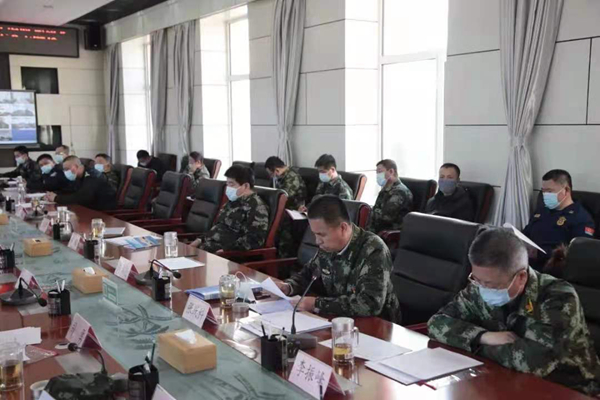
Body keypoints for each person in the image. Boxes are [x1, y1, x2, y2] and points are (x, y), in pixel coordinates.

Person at [427, 228, 600, 396]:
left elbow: (534, 362)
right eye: (476, 279)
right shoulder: (479, 287)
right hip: (505, 379)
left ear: (521, 277)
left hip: (567, 390)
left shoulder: (558, 297)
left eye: (491, 285)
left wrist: (474, 345)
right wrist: (483, 336)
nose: (482, 288)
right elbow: (437, 323)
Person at [275, 195, 401, 323]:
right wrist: (289, 286)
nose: (317, 241)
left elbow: (370, 304)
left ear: (343, 228)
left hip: (376, 324)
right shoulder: (328, 246)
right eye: (314, 234)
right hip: (339, 319)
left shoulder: (373, 249)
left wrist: (317, 304)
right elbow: (309, 274)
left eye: (321, 234)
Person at [523, 169, 595, 271]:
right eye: (543, 191)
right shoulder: (542, 211)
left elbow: (578, 255)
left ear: (566, 190)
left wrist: (540, 254)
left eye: (549, 191)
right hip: (524, 265)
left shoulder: (581, 218)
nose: (545, 195)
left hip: (551, 271)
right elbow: (526, 233)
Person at [191, 165, 269, 253]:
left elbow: (254, 239)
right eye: (227, 184)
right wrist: (200, 240)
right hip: (208, 247)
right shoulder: (233, 201)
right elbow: (219, 227)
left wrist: (226, 250)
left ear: (246, 186)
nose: (228, 188)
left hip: (229, 254)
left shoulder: (256, 206)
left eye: (231, 184)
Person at [46, 156, 117, 211]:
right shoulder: (79, 176)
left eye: (67, 169)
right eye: (64, 170)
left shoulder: (92, 176)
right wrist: (53, 195)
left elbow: (82, 198)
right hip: (89, 209)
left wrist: (56, 198)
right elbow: (71, 190)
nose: (65, 172)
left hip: (103, 213)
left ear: (76, 167)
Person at [367, 159, 413, 233]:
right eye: (377, 173)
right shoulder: (385, 189)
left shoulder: (400, 192)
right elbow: (376, 209)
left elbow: (386, 217)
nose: (378, 176)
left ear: (391, 171)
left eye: (380, 172)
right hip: (376, 229)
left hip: (389, 231)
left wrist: (366, 212)